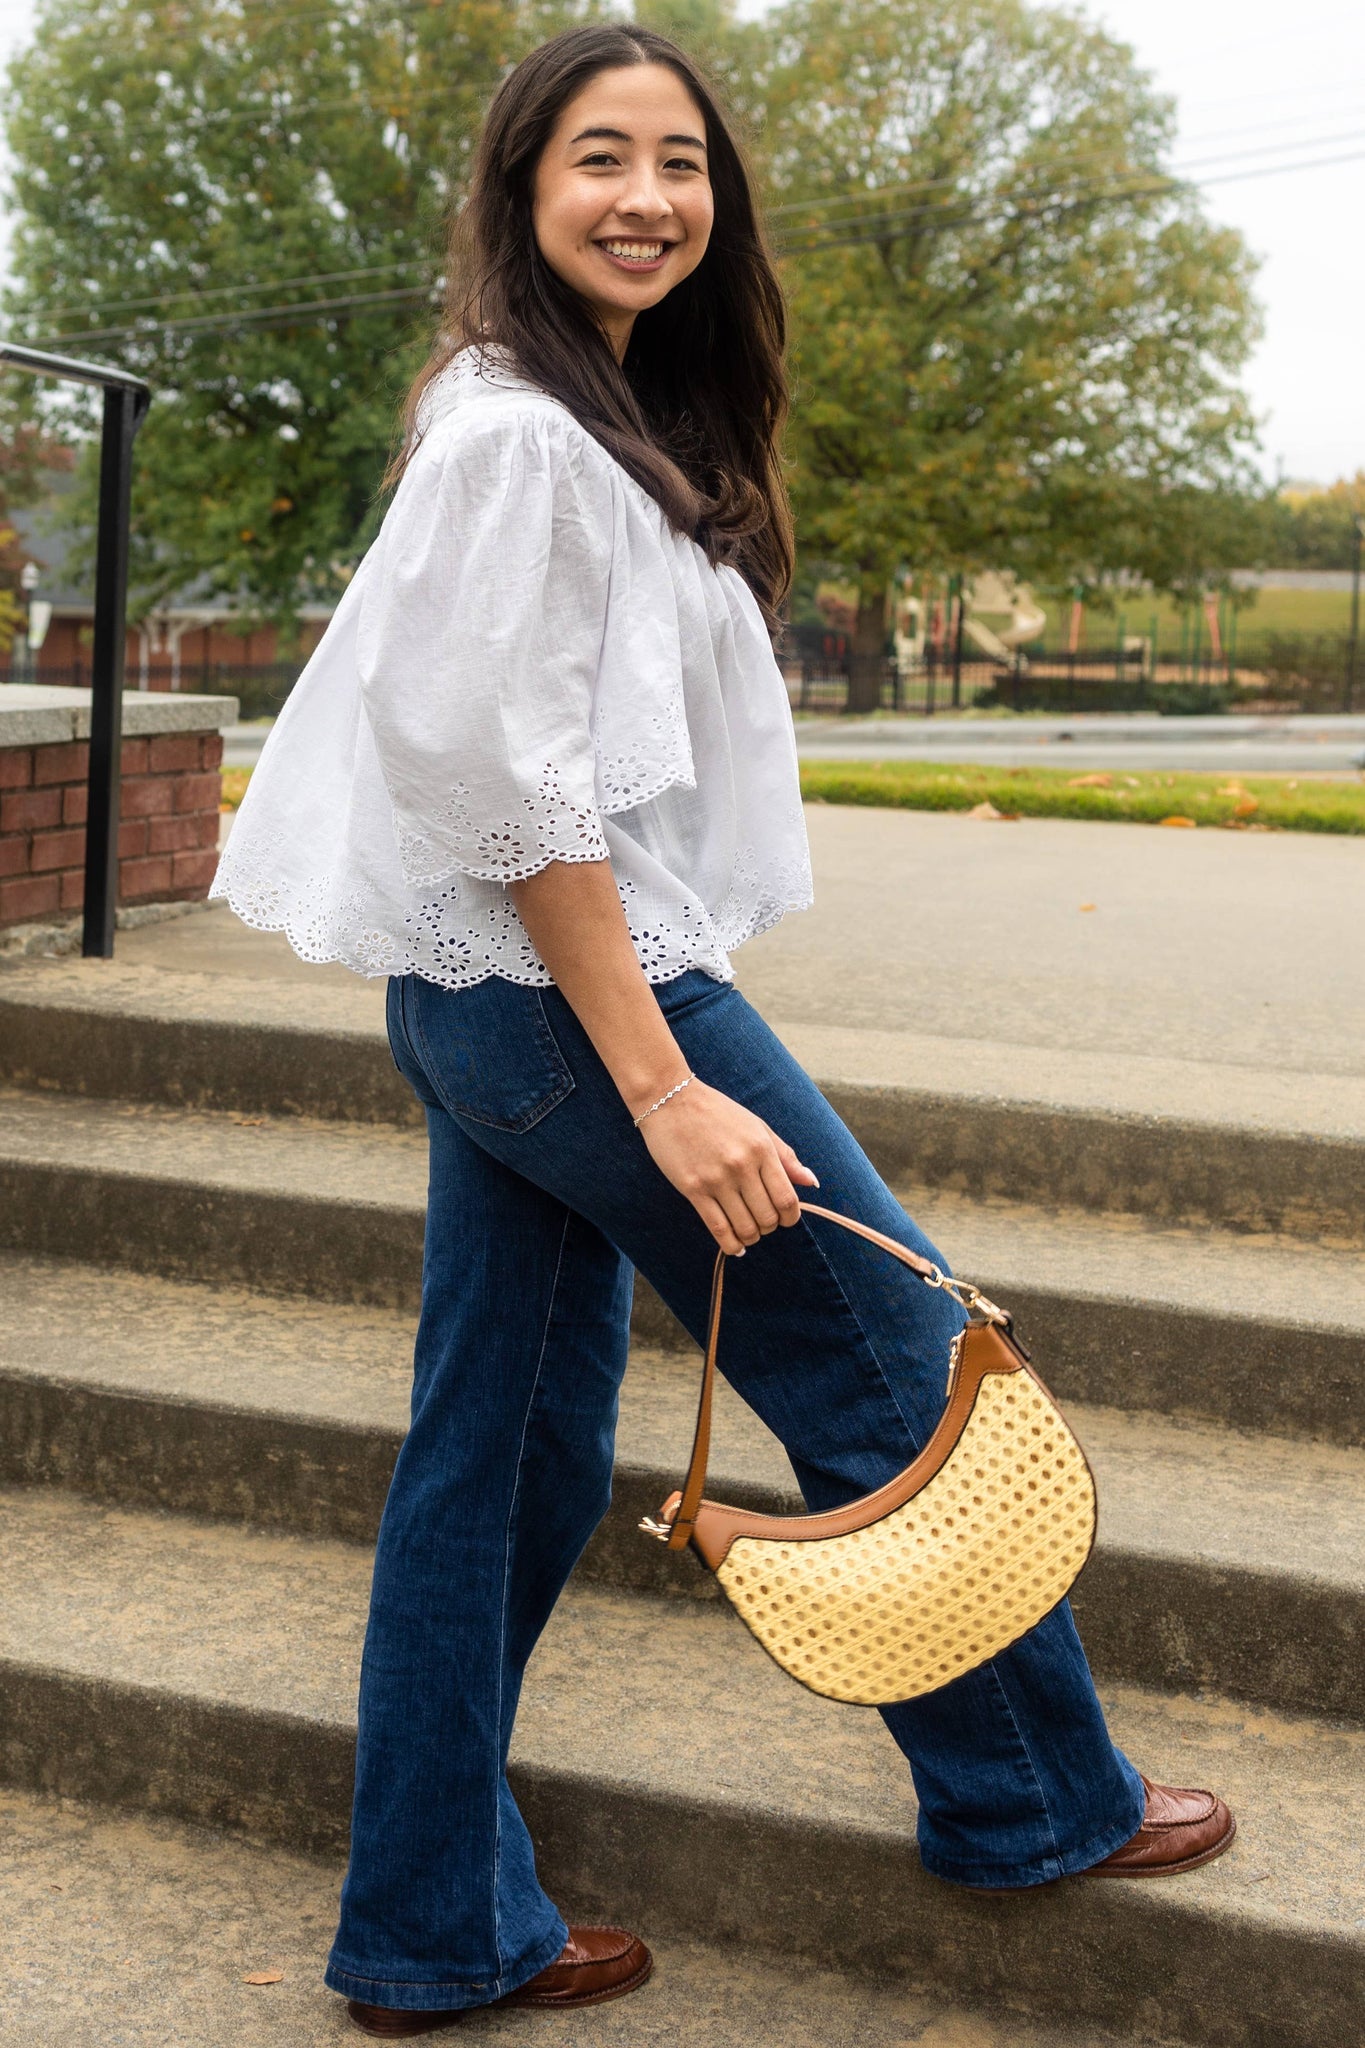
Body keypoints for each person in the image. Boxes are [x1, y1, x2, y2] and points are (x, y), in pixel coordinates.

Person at [212, 24, 1235, 2039]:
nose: (648, 197)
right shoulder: (519, 440)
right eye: (599, 157)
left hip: (504, 1008)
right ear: (520, 188)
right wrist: (664, 1082)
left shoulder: (570, 419)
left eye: (680, 161)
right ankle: (1030, 1797)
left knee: (497, 1460)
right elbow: (512, 796)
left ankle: (431, 1920)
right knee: (890, 1365)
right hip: (577, 1014)